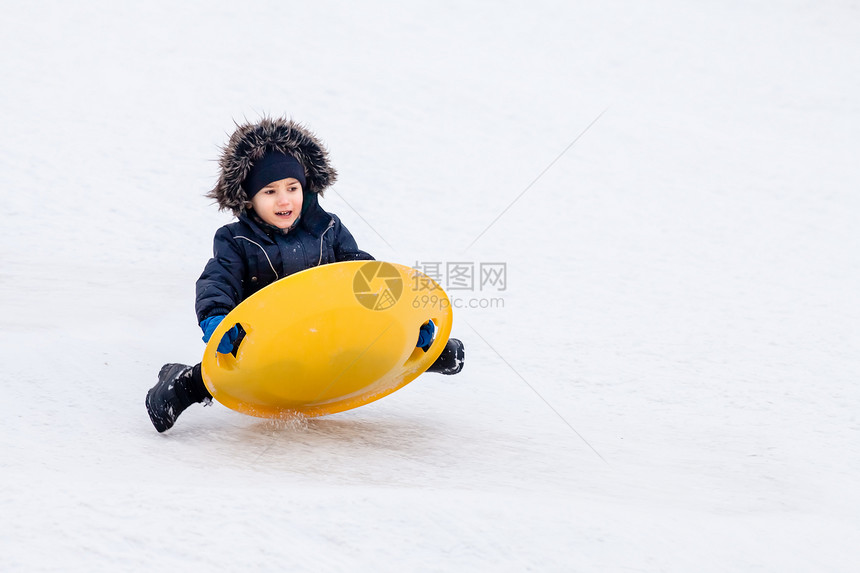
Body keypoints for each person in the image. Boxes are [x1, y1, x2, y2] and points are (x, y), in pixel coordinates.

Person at [145, 117, 465, 433]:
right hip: (266, 340)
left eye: (292, 188)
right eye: (270, 191)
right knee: (239, 369)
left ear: (305, 187)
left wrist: (407, 323)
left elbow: (366, 276)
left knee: (364, 343)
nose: (284, 199)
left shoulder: (329, 228)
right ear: (249, 198)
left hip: (331, 331)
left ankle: (424, 352)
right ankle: (182, 384)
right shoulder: (236, 241)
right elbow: (218, 280)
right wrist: (218, 321)